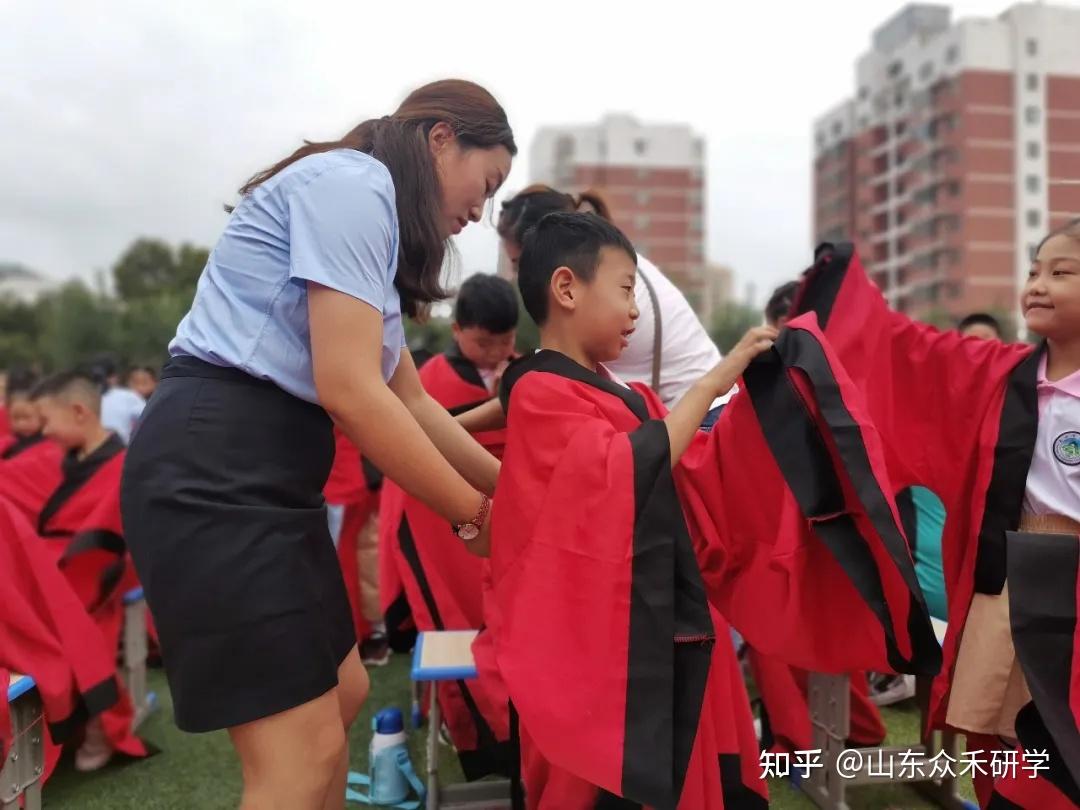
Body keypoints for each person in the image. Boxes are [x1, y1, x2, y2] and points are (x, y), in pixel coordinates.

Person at [120, 79, 515, 810]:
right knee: (300, 759)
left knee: (344, 694)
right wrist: (473, 514)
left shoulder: (372, 228)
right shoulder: (354, 186)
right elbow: (349, 389)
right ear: (439, 139)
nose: (479, 211)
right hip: (217, 470)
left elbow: (413, 401)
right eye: (485, 183)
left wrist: (516, 492)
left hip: (268, 477)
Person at [480, 213, 939, 807]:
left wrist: (766, 401)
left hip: (664, 619)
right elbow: (628, 470)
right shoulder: (542, 391)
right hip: (605, 644)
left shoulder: (615, 390)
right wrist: (717, 378)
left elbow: (688, 463)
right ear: (567, 288)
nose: (635, 311)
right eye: (624, 290)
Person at [789, 221, 1080, 807]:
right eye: (1033, 271)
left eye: (1061, 272)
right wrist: (841, 283)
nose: (1038, 285)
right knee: (1007, 749)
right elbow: (907, 351)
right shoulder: (998, 376)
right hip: (1011, 588)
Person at [380, 272, 518, 779]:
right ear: (457, 329)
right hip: (445, 525)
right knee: (452, 624)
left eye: (506, 340)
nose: (498, 350)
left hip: (512, 525)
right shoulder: (427, 383)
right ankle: (472, 734)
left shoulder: (527, 374)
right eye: (485, 341)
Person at [497, 185, 726, 412]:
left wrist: (462, 425)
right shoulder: (607, 276)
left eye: (520, 263)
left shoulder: (607, 299)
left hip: (701, 417)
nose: (520, 276)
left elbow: (545, 392)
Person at [29, 371, 146, 771]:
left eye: (46, 420)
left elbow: (113, 535)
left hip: (99, 576)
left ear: (78, 412)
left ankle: (101, 722)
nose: (43, 432)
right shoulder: (64, 461)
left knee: (68, 627)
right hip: (53, 571)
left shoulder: (124, 464)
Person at [91, 355, 145, 444]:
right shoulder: (128, 396)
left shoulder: (81, 397)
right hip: (122, 453)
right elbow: (150, 419)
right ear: (114, 377)